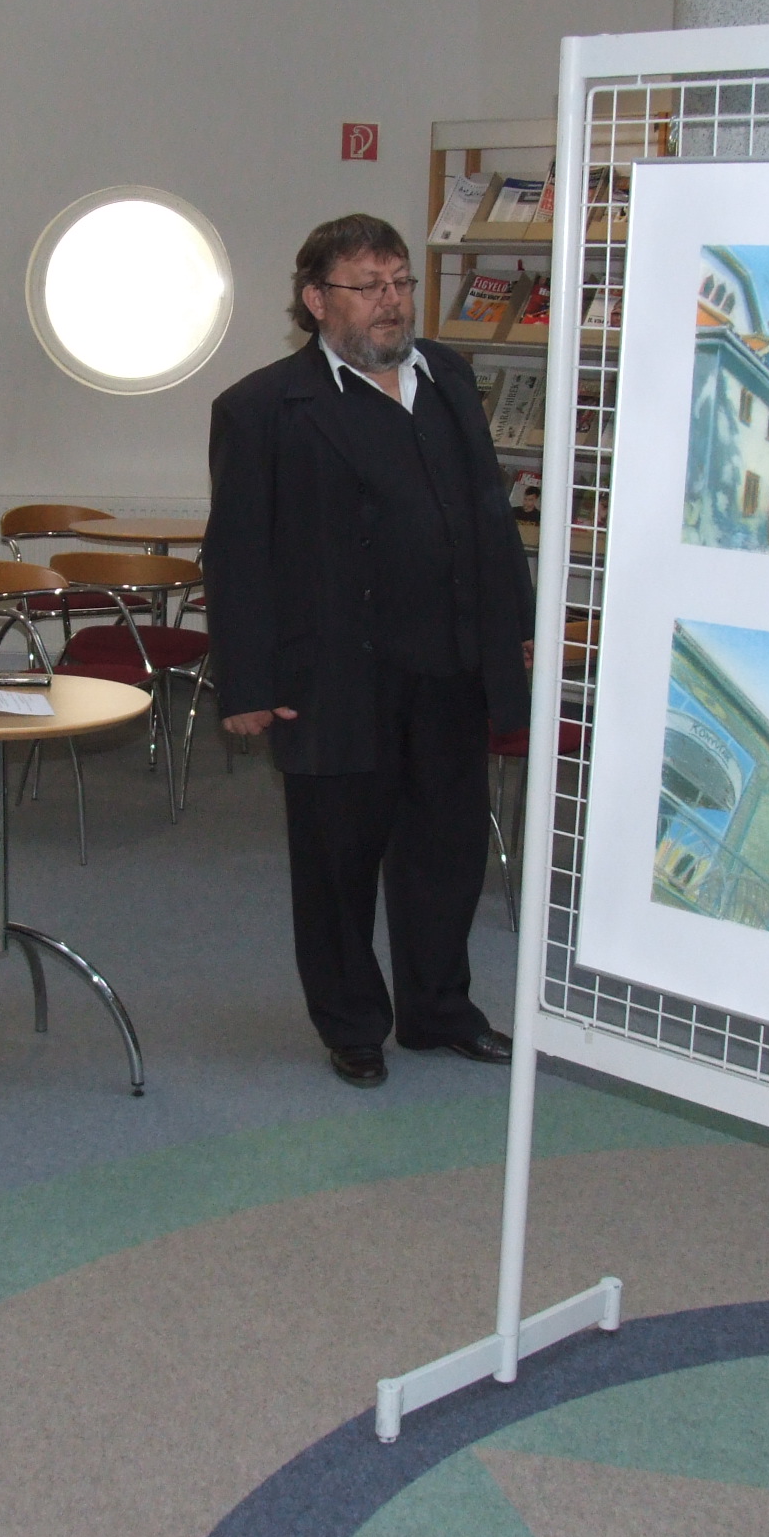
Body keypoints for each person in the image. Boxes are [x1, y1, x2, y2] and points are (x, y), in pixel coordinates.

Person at [206, 214, 533, 1087]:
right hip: (335, 676)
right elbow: (237, 555)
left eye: (400, 282)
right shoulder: (263, 408)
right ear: (317, 300)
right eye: (368, 286)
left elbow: (488, 513)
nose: (391, 302)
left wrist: (515, 623)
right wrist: (247, 681)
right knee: (338, 862)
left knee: (447, 854)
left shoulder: (449, 376)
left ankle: (439, 1010)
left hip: (450, 666)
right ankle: (352, 1022)